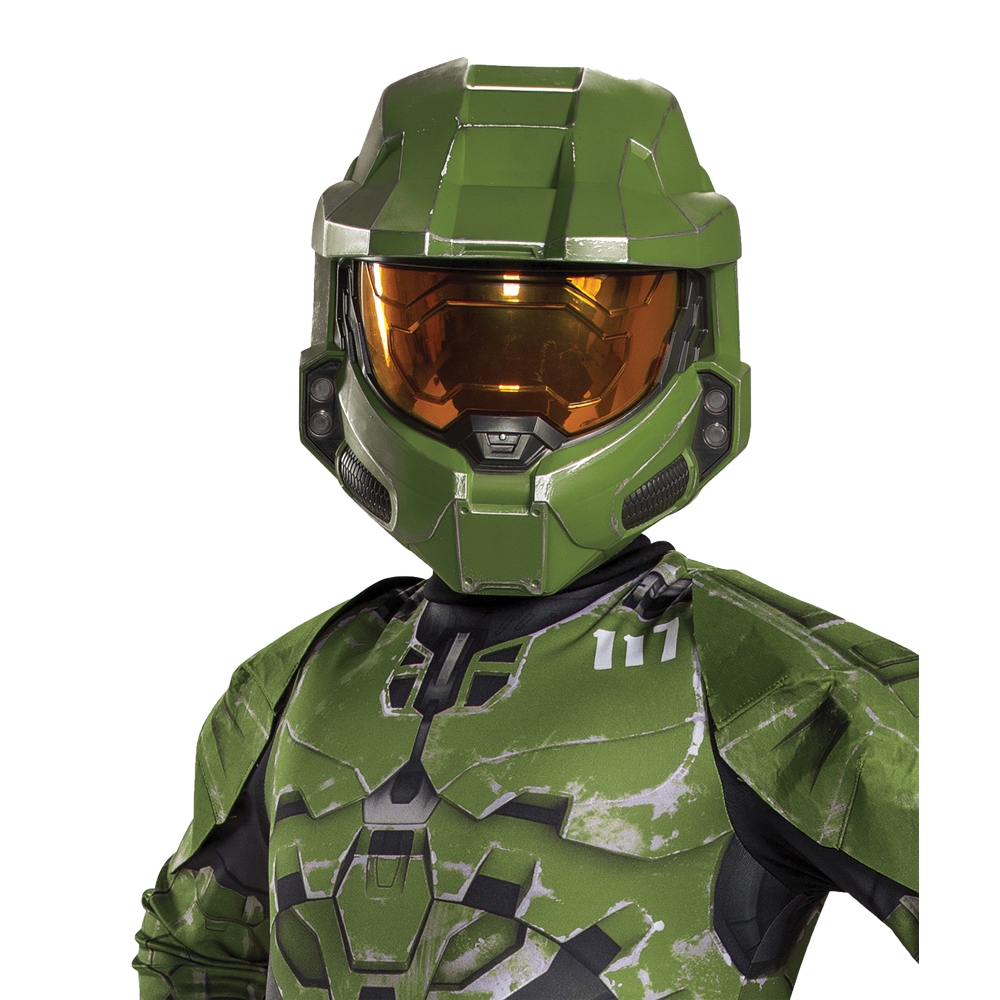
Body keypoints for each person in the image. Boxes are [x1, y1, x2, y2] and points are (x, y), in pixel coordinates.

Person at [134, 59, 918, 1000]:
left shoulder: (772, 686)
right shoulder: (284, 688)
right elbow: (194, 957)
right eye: (445, 347)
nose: (506, 412)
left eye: (572, 354)